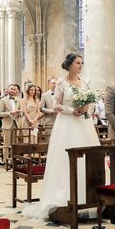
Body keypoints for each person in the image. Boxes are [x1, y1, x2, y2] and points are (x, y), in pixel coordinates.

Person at [23, 53, 99, 220]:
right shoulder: (61, 83)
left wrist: (87, 109)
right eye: (78, 63)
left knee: (89, 159)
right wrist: (73, 111)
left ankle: (89, 198)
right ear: (70, 64)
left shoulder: (85, 82)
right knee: (65, 160)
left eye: (82, 63)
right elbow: (56, 105)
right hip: (67, 125)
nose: (81, 65)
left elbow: (92, 102)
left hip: (84, 125)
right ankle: (64, 198)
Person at [0, 83, 22, 162]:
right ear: (8, 90)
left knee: (14, 144)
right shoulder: (3, 100)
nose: (12, 90)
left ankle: (13, 161)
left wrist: (19, 113)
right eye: (11, 89)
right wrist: (10, 113)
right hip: (7, 124)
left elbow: (21, 112)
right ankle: (5, 161)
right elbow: (0, 113)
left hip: (16, 124)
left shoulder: (19, 100)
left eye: (14, 89)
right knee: (6, 144)